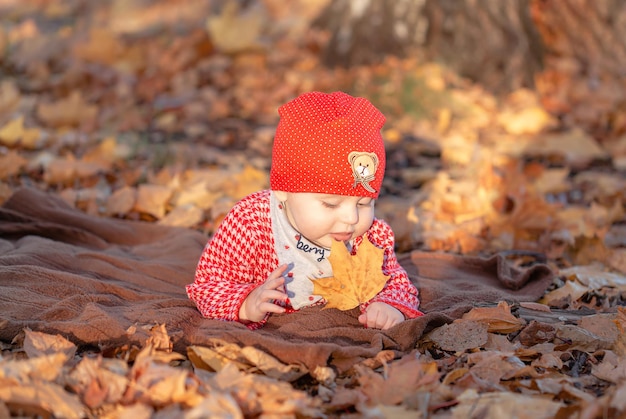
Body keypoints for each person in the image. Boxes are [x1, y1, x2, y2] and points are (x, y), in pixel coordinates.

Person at [186, 91, 423, 330]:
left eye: (364, 203)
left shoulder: (370, 237)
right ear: (282, 190)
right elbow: (210, 284)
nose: (351, 218)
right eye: (330, 204)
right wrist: (245, 305)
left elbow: (395, 282)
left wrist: (389, 306)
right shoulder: (251, 223)